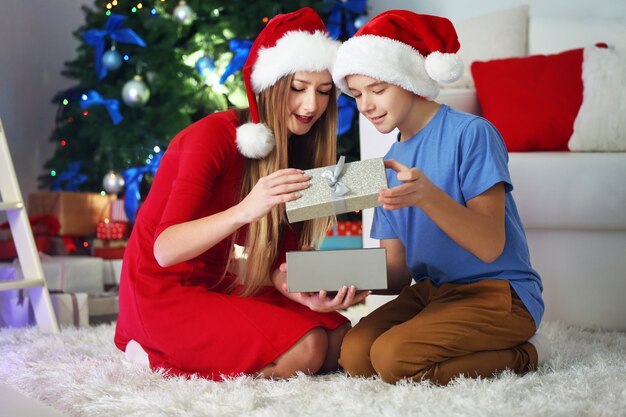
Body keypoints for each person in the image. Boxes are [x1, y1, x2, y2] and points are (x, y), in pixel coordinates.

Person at [114, 7, 368, 381]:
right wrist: (246, 209)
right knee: (309, 347)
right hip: (162, 294)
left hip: (221, 283)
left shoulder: (295, 148)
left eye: (324, 92)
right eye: (298, 88)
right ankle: (153, 357)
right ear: (270, 85)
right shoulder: (212, 137)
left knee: (341, 340)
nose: (311, 105)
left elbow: (278, 265)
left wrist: (301, 291)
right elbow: (165, 250)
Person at [331, 10, 549, 385]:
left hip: (499, 292)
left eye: (378, 89)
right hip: (433, 293)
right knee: (354, 353)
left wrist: (428, 196)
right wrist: (345, 277)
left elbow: (489, 245)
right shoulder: (386, 165)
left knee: (392, 357)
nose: (365, 105)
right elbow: (398, 274)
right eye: (356, 94)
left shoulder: (472, 133)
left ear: (408, 79)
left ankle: (523, 354)